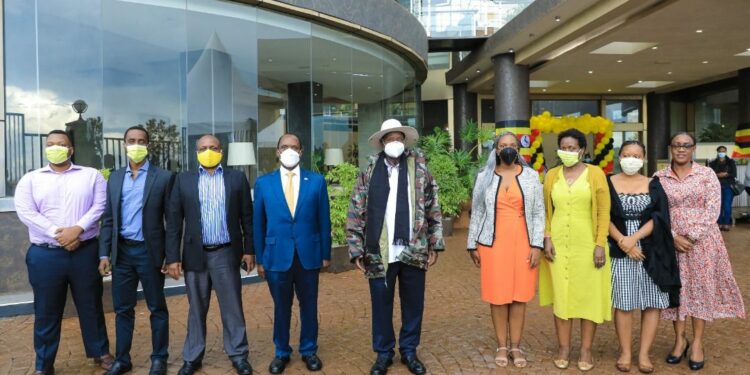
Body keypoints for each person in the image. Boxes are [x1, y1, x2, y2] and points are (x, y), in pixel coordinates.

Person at [347, 119, 444, 375]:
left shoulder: (420, 168)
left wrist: (435, 243)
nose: (395, 143)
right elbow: (356, 209)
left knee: (413, 304)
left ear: (405, 141)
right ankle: (383, 353)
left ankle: (409, 351)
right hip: (380, 252)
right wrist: (356, 248)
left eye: (398, 138)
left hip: (414, 249)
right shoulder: (369, 170)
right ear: (382, 143)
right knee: (381, 304)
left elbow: (434, 206)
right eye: (390, 139)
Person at [14, 130, 113, 375]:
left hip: (85, 251)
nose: (55, 147)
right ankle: (44, 364)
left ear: (71, 149)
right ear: (45, 148)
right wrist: (60, 234)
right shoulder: (31, 179)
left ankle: (100, 351)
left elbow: (99, 206)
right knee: (46, 310)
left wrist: (77, 230)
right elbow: (26, 212)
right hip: (45, 254)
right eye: (51, 144)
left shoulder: (91, 176)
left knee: (91, 305)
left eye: (62, 144)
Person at [165, 134, 255, 375]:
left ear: (221, 151)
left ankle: (238, 354)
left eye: (213, 148)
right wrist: (173, 257)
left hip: (226, 253)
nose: (208, 151)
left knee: (232, 307)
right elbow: (174, 222)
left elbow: (247, 217)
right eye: (203, 148)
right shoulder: (183, 180)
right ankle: (192, 357)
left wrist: (249, 250)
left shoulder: (237, 179)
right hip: (195, 255)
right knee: (196, 309)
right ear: (196, 153)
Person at [656, 132, 745, 371]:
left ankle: (696, 343)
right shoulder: (659, 177)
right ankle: (679, 340)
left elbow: (713, 209)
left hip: (703, 242)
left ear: (693, 149)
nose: (681, 149)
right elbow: (656, 213)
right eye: (677, 145)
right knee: (677, 290)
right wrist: (674, 237)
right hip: (670, 243)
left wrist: (691, 236)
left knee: (700, 290)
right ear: (670, 148)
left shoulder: (707, 175)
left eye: (686, 145)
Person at [98, 126, 174, 375]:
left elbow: (172, 221)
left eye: (141, 140)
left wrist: (171, 256)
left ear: (148, 145)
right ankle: (122, 359)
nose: (136, 144)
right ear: (124, 144)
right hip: (122, 254)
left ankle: (159, 358)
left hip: (150, 252)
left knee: (156, 307)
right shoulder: (115, 178)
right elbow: (108, 218)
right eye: (132, 140)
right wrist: (104, 253)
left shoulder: (163, 177)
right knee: (123, 309)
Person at [253, 134, 331, 374]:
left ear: (302, 150)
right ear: (277, 151)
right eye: (284, 147)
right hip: (277, 255)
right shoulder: (264, 183)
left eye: (294, 147)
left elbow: (323, 220)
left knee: (309, 305)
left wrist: (325, 253)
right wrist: (260, 258)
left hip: (308, 254)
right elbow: (259, 223)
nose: (289, 150)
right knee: (281, 307)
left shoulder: (316, 181)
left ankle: (309, 350)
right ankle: (282, 352)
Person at [466, 132, 545, 368]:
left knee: (519, 296)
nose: (508, 149)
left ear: (518, 149)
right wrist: (472, 243)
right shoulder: (484, 177)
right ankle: (501, 344)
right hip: (493, 243)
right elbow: (478, 211)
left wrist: (537, 245)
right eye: (503, 145)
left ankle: (516, 346)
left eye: (512, 145)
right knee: (498, 297)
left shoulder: (531, 176)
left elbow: (539, 212)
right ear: (496, 149)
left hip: (523, 241)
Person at [538, 128, 611, 372]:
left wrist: (600, 244)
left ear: (583, 150)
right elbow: (547, 211)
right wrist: (546, 237)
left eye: (572, 148)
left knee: (587, 297)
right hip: (558, 244)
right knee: (562, 296)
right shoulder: (552, 175)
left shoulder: (596, 174)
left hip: (588, 244)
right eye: (564, 148)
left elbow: (603, 211)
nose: (568, 152)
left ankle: (586, 350)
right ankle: (564, 347)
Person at [607, 140, 681, 373]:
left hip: (651, 249)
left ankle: (644, 354)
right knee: (624, 302)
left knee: (651, 303)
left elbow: (659, 217)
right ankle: (625, 352)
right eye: (627, 154)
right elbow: (601, 215)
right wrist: (623, 241)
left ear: (644, 158)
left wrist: (634, 238)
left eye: (636, 155)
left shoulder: (653, 184)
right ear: (619, 157)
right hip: (619, 248)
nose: (631, 159)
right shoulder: (607, 182)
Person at [707, 146, 737, 231]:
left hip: (728, 186)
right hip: (716, 187)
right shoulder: (712, 163)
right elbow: (709, 174)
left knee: (727, 206)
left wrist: (725, 174)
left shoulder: (731, 162)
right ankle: (719, 223)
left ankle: (726, 223)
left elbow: (734, 174)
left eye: (723, 151)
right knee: (718, 206)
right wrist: (717, 175)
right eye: (720, 151)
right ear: (717, 152)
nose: (722, 153)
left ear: (726, 152)